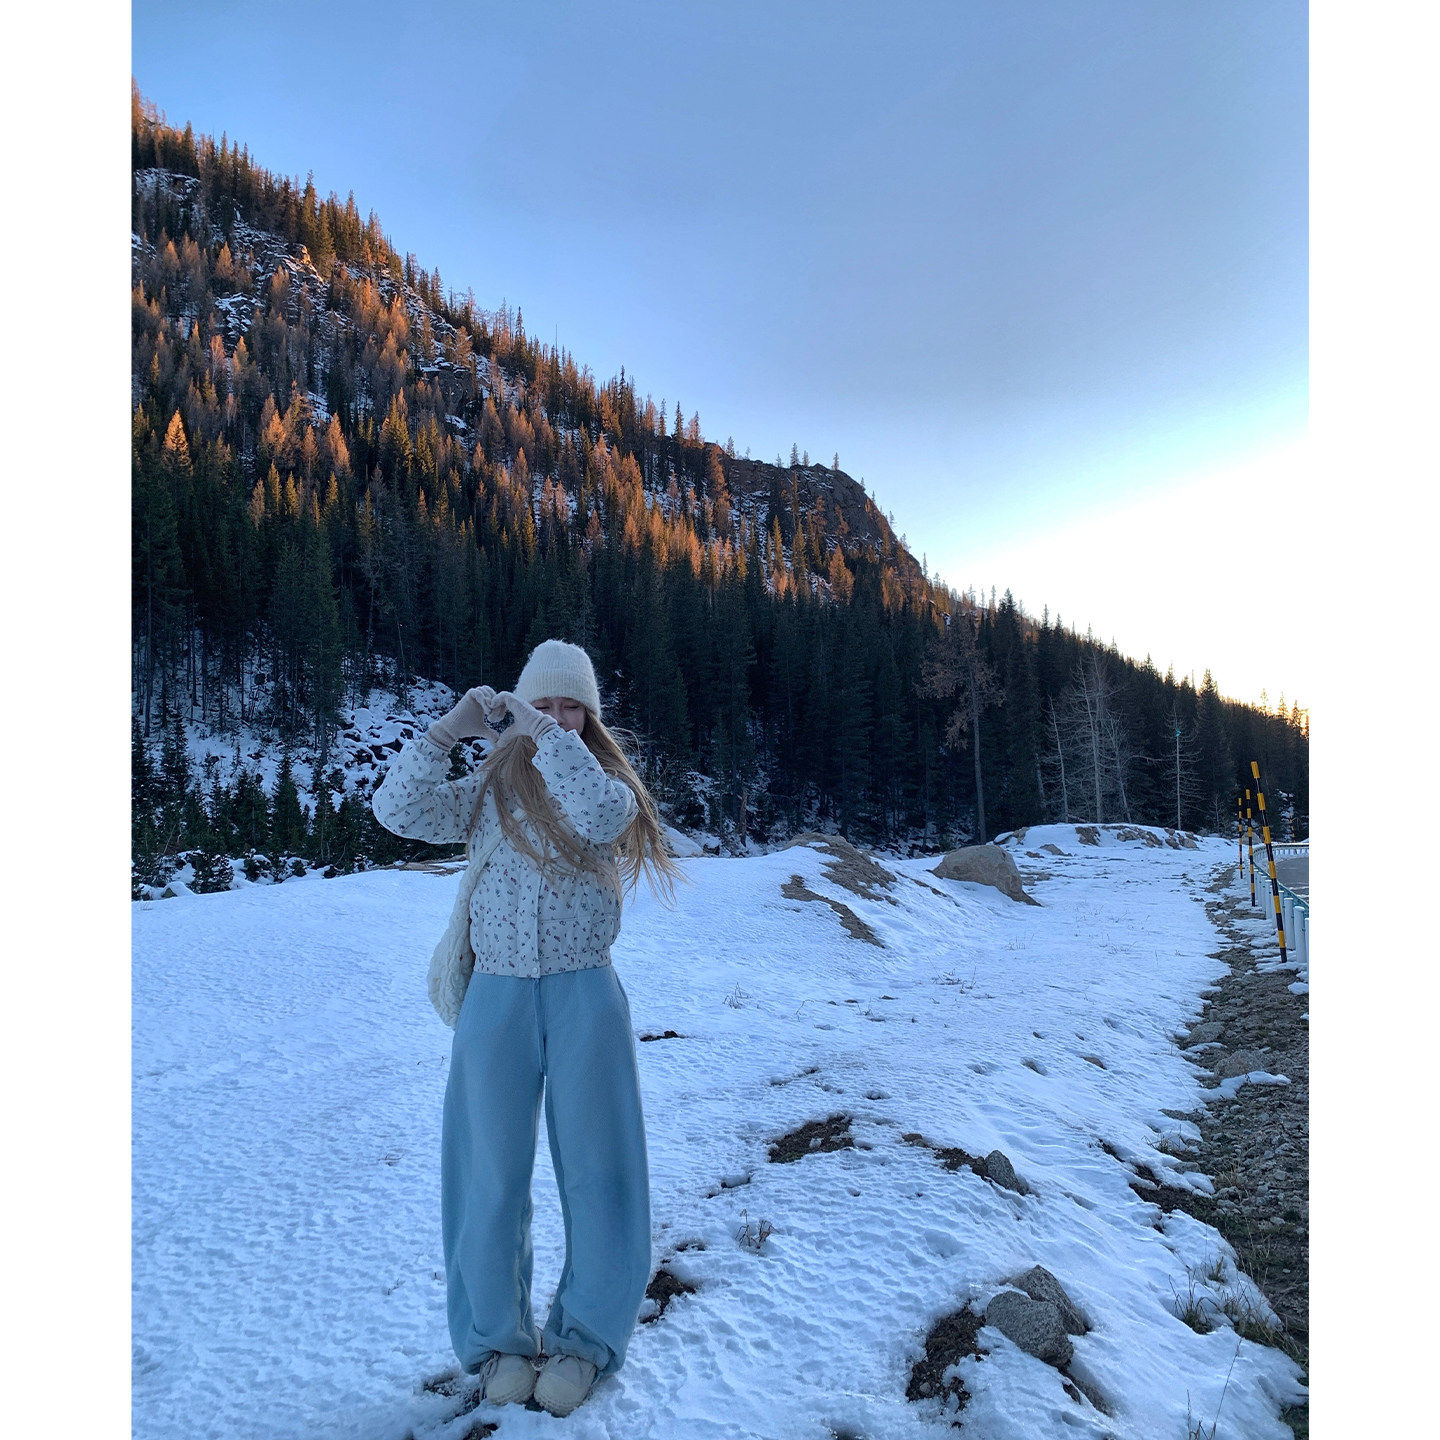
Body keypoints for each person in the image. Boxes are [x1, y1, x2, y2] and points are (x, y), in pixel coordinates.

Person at [371, 638, 686, 1417]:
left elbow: (600, 816)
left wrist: (546, 739)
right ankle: (498, 1344)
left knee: (602, 1172)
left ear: (590, 716)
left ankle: (585, 1341)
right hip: (496, 998)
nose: (557, 717)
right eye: (541, 704)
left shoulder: (604, 784)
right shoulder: (488, 790)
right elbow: (396, 811)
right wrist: (447, 732)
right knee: (486, 1173)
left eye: (571, 706)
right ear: (515, 708)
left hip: (585, 995)